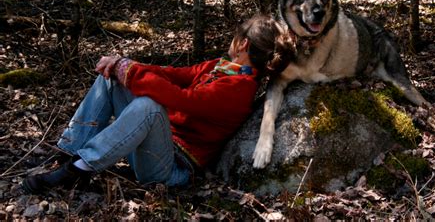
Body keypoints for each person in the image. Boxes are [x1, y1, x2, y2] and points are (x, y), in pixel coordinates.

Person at [22, 15, 294, 193]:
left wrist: (129, 71)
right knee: (111, 80)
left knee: (150, 107)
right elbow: (175, 74)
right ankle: (68, 152)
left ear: (243, 44)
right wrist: (124, 66)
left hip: (171, 169)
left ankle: (78, 170)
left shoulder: (239, 89)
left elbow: (181, 98)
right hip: (152, 148)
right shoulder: (221, 67)